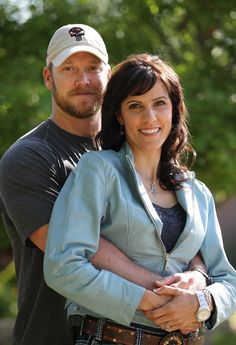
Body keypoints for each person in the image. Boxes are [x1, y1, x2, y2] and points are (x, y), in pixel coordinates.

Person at [0, 25, 208, 345]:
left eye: (93, 68)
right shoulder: (29, 158)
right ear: (47, 77)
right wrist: (168, 291)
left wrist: (197, 273)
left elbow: (175, 229)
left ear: (108, 75)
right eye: (69, 68)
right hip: (56, 334)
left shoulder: (137, 148)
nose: (83, 80)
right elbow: (79, 246)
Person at [44, 53, 236, 345]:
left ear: (174, 109)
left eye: (160, 103)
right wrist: (144, 300)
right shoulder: (98, 169)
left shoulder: (198, 193)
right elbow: (63, 266)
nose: (150, 118)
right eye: (135, 106)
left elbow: (228, 281)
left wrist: (202, 301)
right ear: (120, 115)